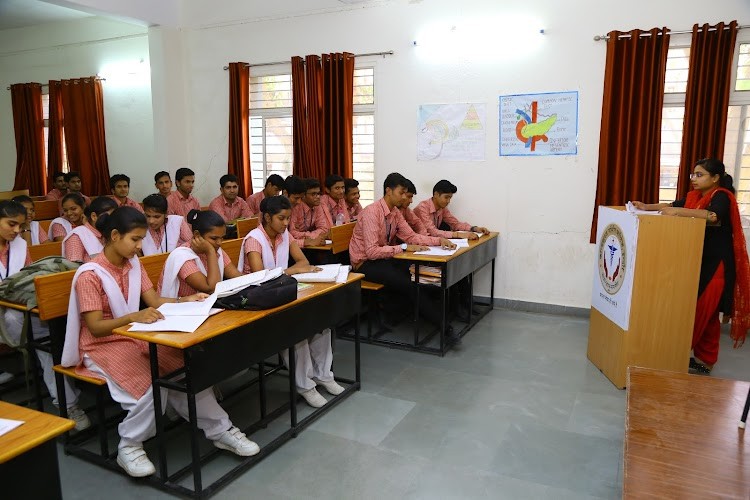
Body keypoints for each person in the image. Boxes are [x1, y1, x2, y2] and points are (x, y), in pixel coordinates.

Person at [63, 206, 259, 477]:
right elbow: (95, 328)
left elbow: (154, 301)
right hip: (101, 346)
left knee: (181, 371)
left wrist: (184, 300)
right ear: (115, 236)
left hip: (133, 334)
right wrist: (135, 316)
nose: (139, 246)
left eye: (142, 239)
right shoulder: (90, 275)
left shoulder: (133, 264)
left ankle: (221, 430)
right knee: (149, 383)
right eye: (135, 239)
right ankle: (129, 445)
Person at [632, 158, 750, 374]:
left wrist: (680, 212)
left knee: (697, 313)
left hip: (716, 268)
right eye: (693, 175)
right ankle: (706, 361)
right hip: (699, 262)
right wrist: (646, 207)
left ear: (715, 178)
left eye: (700, 175)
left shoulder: (721, 196)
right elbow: (671, 206)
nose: (694, 179)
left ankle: (672, 357)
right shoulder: (695, 196)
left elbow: (713, 217)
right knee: (710, 318)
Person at [238, 195, 344, 407]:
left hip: (280, 293)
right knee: (297, 332)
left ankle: (323, 375)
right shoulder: (254, 240)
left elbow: (302, 262)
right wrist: (290, 271)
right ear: (267, 217)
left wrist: (291, 271)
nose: (286, 223)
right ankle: (305, 385)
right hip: (256, 302)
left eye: (288, 218)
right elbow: (260, 277)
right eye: (281, 218)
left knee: (322, 324)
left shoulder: (283, 234)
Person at [0, 200, 91, 428]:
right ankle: (68, 403)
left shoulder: (19, 245)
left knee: (48, 333)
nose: (16, 231)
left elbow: (30, 278)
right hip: (10, 312)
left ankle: (68, 399)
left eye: (20, 226)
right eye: (11, 224)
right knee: (34, 331)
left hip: (19, 306)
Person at [349, 173, 458, 339]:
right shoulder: (372, 212)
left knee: (417, 272)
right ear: (388, 191)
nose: (403, 197)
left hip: (384, 257)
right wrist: (403, 248)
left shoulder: (395, 213)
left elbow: (412, 237)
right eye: (401, 193)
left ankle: (429, 317)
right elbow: (371, 252)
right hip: (364, 263)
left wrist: (439, 240)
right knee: (409, 283)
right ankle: (444, 326)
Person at [158, 209, 243, 297]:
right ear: (197, 235)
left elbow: (237, 276)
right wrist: (210, 252)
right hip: (183, 307)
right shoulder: (182, 257)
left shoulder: (216, 249)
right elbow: (211, 288)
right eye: (214, 238)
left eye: (222, 238)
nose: (219, 242)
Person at [413, 179, 489, 239]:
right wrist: (458, 234)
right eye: (446, 197)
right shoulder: (423, 207)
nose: (448, 201)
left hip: (430, 243)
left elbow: (455, 224)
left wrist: (474, 228)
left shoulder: (442, 208)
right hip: (415, 246)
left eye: (450, 198)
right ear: (436, 194)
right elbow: (431, 231)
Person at [63, 196, 118, 263]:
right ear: (94, 216)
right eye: (109, 216)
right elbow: (73, 269)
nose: (113, 220)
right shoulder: (77, 236)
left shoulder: (111, 234)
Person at [284, 176, 325, 248]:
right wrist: (306, 241)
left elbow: (324, 229)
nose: (299, 201)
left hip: (295, 246)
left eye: (319, 193)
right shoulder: (278, 209)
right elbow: (288, 236)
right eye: (296, 198)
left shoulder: (317, 205)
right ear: (285, 193)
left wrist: (308, 238)